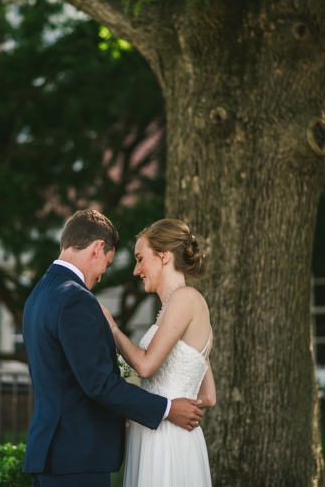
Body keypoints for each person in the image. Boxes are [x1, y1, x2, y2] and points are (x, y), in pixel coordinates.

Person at [21, 209, 205, 487]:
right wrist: (167, 409)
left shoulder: (39, 294)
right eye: (106, 263)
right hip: (76, 457)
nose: (102, 275)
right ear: (98, 249)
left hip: (52, 453)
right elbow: (98, 384)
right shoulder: (75, 298)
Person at [102, 218, 216, 487]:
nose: (136, 269)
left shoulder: (185, 298)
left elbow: (146, 366)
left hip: (167, 439)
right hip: (160, 430)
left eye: (140, 259)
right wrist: (174, 404)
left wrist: (113, 329)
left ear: (164, 257)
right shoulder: (176, 306)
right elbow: (208, 396)